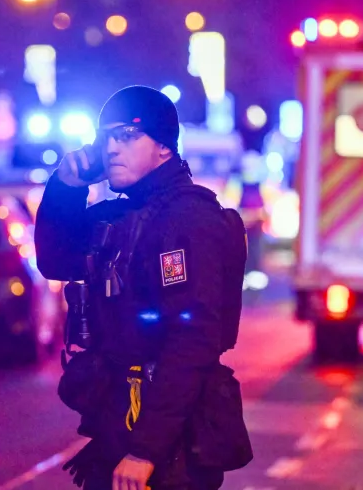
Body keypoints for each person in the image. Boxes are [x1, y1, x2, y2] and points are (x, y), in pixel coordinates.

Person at [36, 86, 252, 490]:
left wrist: (145, 451)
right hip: (120, 423)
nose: (112, 149)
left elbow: (193, 341)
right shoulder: (123, 215)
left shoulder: (188, 221)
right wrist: (65, 185)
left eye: (128, 136)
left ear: (164, 149)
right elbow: (55, 259)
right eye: (106, 138)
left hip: (170, 443)